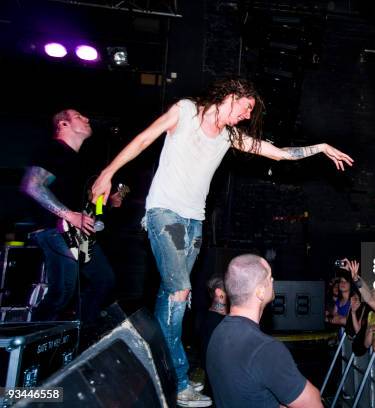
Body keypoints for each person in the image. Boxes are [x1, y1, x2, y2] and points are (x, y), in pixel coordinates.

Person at [90, 77, 353, 406]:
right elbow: (144, 140)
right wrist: (107, 172)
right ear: (233, 95)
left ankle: (158, 364)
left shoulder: (230, 137)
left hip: (193, 223)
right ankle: (180, 380)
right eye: (247, 107)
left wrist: (321, 147)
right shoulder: (185, 112)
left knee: (171, 296)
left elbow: (280, 155)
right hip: (165, 215)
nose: (247, 115)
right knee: (179, 291)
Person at [21, 109, 118, 324]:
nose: (87, 118)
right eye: (79, 117)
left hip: (76, 232)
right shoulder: (53, 149)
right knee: (63, 291)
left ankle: (81, 337)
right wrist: (68, 215)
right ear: (63, 124)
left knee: (103, 281)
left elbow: (90, 208)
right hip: (55, 229)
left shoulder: (81, 162)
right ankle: (33, 343)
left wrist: (107, 203)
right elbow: (32, 185)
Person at [206, 254, 322, 408]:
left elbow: (249, 394)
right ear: (260, 292)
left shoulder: (218, 332)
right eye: (269, 278)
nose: (273, 281)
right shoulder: (265, 349)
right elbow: (313, 404)